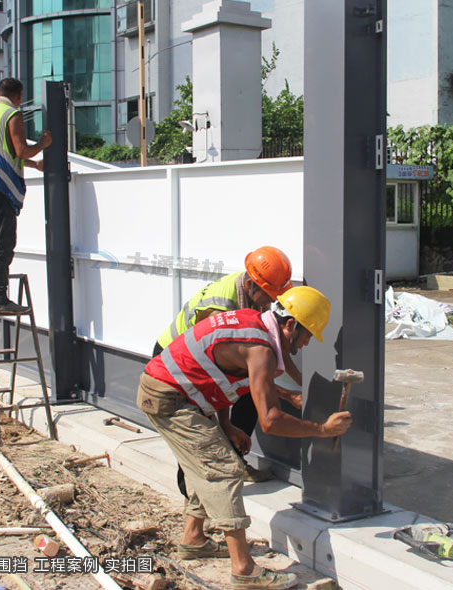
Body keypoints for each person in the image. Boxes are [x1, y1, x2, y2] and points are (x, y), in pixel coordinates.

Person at [137, 286, 352, 590]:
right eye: (306, 335)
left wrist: (226, 426)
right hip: (169, 398)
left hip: (175, 391)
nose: (306, 343)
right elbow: (270, 421)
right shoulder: (261, 349)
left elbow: (220, 376)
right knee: (224, 469)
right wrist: (322, 430)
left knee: (206, 464)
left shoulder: (251, 322)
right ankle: (244, 570)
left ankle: (193, 538)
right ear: (290, 325)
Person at [152, 246, 303, 495]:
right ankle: (191, 491)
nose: (271, 302)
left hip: (207, 365)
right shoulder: (220, 309)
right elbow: (221, 375)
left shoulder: (253, 292)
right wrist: (287, 395)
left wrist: (302, 382)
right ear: (251, 285)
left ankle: (234, 463)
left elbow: (277, 348)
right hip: (174, 363)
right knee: (198, 429)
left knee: (249, 400)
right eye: (269, 296)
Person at [0, 77, 52, 314]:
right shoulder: (11, 115)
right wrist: (43, 143)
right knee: (4, 244)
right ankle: (1, 298)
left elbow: (4, 152)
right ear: (18, 96)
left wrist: (34, 165)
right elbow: (21, 150)